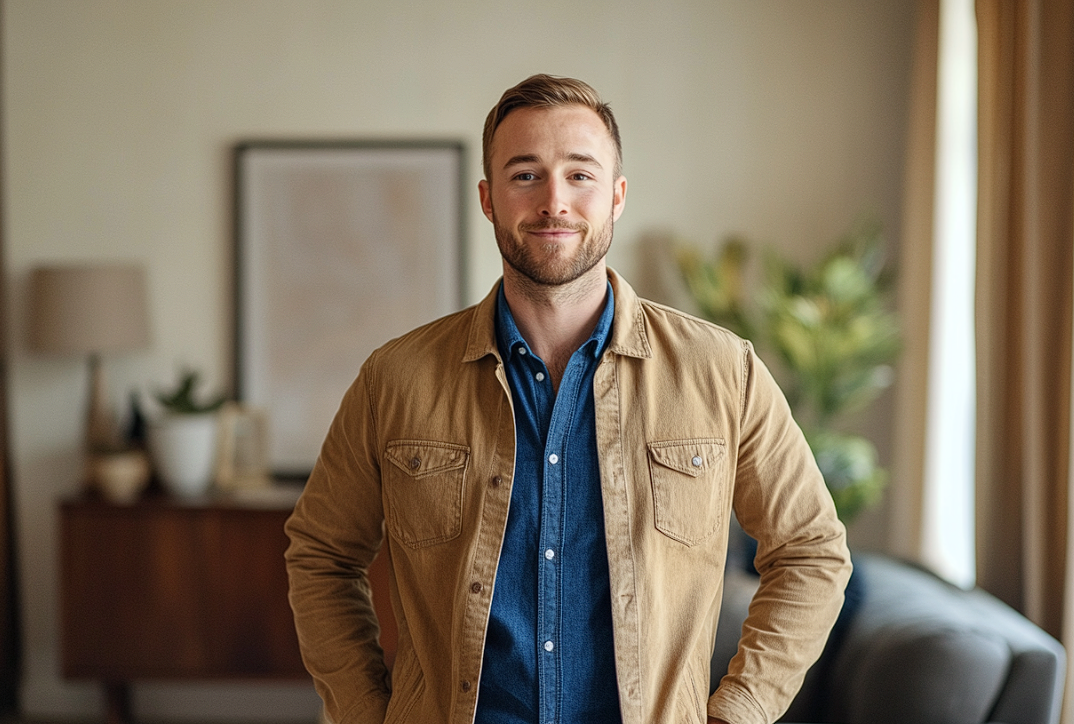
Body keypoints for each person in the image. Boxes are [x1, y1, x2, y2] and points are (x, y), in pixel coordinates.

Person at [284, 73, 851, 724]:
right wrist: (367, 714)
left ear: (617, 196)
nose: (554, 201)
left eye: (579, 175)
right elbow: (322, 555)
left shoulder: (723, 371)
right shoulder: (396, 378)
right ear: (488, 198)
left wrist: (740, 712)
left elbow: (811, 551)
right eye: (525, 174)